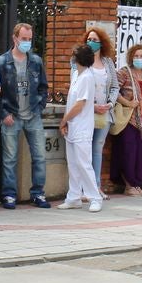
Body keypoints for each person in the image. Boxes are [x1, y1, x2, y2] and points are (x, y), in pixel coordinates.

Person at [0, 23, 50, 209]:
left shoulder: (36, 61)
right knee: (10, 158)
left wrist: (39, 107)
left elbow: (43, 87)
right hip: (12, 115)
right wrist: (3, 113)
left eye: (29, 39)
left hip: (33, 115)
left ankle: (38, 193)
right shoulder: (2, 62)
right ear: (14, 38)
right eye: (23, 38)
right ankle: (9, 194)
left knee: (40, 156)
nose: (26, 42)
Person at [71, 25, 119, 201]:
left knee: (98, 150)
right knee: (84, 151)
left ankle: (96, 187)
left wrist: (110, 103)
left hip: (104, 113)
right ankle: (84, 189)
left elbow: (115, 86)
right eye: (89, 40)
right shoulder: (78, 61)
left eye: (95, 40)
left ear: (102, 43)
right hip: (86, 113)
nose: (91, 43)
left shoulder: (108, 62)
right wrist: (92, 107)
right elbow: (76, 89)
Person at [57, 44, 102, 212]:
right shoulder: (76, 74)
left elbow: (79, 104)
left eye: (74, 56)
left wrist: (64, 120)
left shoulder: (87, 77)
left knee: (84, 164)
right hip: (73, 125)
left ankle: (94, 198)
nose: (72, 59)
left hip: (82, 127)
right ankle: (73, 197)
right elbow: (71, 103)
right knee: (73, 164)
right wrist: (67, 122)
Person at [110, 42, 142, 197]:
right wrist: (128, 102)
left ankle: (137, 184)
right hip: (129, 120)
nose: (139, 58)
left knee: (141, 155)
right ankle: (128, 185)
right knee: (129, 153)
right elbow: (113, 90)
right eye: (136, 56)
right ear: (130, 57)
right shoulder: (123, 73)